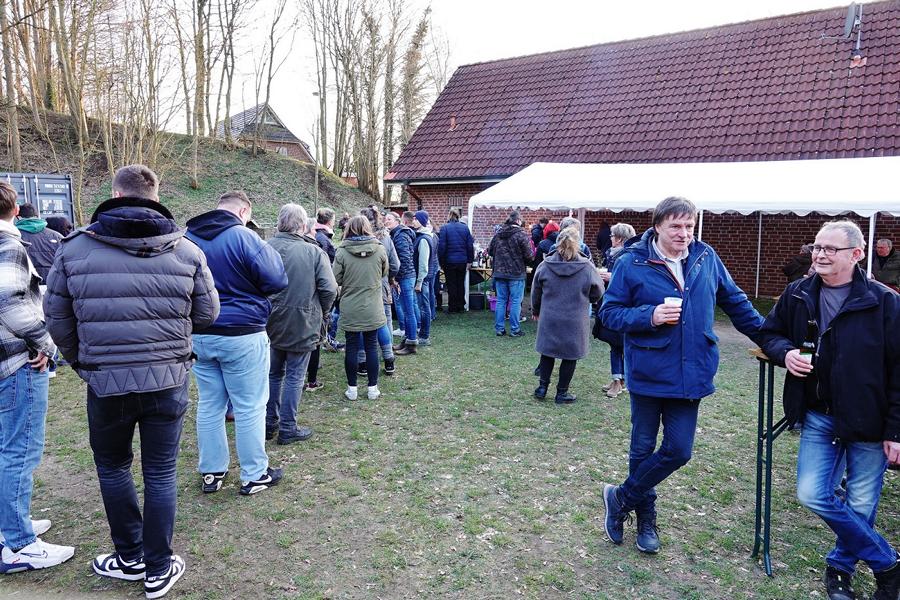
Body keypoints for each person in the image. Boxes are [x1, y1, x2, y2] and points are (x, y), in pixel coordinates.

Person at [43, 165, 219, 596]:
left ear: (116, 195)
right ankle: (155, 566)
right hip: (166, 378)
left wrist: (82, 363)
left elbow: (57, 318)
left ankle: (131, 557)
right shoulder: (187, 250)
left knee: (113, 466)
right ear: (155, 197)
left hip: (107, 381)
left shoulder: (75, 248)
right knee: (159, 472)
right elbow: (207, 313)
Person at [598, 196, 763, 555]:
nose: (684, 233)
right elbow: (609, 314)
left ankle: (620, 497)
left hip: (691, 372)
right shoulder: (632, 261)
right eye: (676, 226)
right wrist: (650, 316)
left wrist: (774, 340)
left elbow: (736, 303)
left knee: (679, 450)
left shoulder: (706, 257)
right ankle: (646, 518)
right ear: (657, 226)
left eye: (689, 226)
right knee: (642, 448)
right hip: (648, 370)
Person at [759, 221, 900, 600]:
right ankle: (888, 562)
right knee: (811, 493)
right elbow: (768, 333)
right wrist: (784, 352)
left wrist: (896, 430)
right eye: (817, 247)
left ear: (856, 254)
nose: (819, 255)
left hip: (869, 419)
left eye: (830, 249)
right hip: (820, 413)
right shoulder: (798, 292)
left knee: (861, 502)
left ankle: (840, 568)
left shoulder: (884, 301)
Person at [186, 191, 288, 496]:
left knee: (209, 403)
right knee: (249, 406)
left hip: (200, 332)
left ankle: (212, 472)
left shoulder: (185, 238)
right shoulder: (244, 238)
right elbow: (276, 279)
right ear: (243, 210)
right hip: (242, 332)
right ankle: (255, 474)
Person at [0, 183, 74, 574]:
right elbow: (10, 300)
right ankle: (19, 545)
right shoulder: (8, 245)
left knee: (5, 447)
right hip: (16, 364)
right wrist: (47, 345)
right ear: (15, 211)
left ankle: (11, 524)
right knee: (19, 450)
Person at [265, 204, 337, 445]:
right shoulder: (313, 252)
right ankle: (287, 427)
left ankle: (269, 423)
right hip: (303, 320)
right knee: (295, 375)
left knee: (274, 374)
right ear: (302, 225)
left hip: (269, 321)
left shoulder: (264, 248)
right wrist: (323, 312)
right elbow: (329, 289)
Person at [531, 227, 603, 404]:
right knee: (570, 355)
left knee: (547, 353)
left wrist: (536, 309)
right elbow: (599, 290)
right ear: (578, 243)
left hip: (550, 316)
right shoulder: (586, 267)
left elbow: (535, 291)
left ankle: (542, 388)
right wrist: (587, 299)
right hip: (575, 318)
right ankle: (561, 393)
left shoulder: (546, 264)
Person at [333, 216, 388, 400]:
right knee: (372, 346)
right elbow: (384, 271)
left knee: (352, 347)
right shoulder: (379, 249)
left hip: (350, 306)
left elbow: (336, 278)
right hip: (372, 305)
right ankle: (373, 388)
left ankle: (352, 389)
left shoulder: (342, 252)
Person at [357, 207, 399, 376]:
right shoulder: (385, 239)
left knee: (359, 323)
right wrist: (388, 278)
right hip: (380, 285)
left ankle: (362, 360)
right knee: (383, 320)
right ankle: (388, 357)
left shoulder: (353, 240)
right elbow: (395, 265)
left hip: (358, 287)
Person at [598, 222, 636, 398]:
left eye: (613, 235)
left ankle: (619, 382)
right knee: (615, 345)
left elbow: (631, 281)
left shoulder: (630, 256)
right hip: (611, 303)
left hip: (623, 307)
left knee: (618, 344)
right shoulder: (612, 254)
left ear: (620, 238)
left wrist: (611, 277)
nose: (610, 238)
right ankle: (619, 380)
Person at [488, 210, 534, 337]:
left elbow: (490, 251)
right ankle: (515, 329)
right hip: (516, 272)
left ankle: (499, 329)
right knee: (515, 301)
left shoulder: (498, 234)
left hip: (500, 272)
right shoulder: (521, 235)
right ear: (518, 221)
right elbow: (529, 256)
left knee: (501, 301)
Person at [385, 211, 419, 354]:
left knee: (408, 311)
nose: (386, 221)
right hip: (405, 276)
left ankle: (411, 344)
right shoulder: (396, 234)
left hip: (405, 277)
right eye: (385, 219)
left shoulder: (401, 235)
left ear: (397, 221)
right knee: (406, 311)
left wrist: (396, 278)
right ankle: (406, 340)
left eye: (389, 219)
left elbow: (403, 259)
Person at [408, 210, 438, 344]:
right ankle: (422, 334)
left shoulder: (424, 239)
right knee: (423, 307)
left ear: (421, 220)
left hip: (423, 280)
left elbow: (423, 264)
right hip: (422, 279)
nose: (412, 221)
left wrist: (419, 282)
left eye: (415, 219)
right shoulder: (421, 236)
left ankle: (425, 336)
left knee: (424, 308)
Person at [14, 203, 63, 282]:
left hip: (27, 284)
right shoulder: (56, 236)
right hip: (52, 284)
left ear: (18, 217)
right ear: (36, 216)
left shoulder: (13, 236)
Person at [439, 208, 475, 313]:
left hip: (449, 261)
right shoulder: (465, 228)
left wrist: (441, 261)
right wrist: (470, 260)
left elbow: (442, 247)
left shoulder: (444, 228)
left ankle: (453, 307)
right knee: (460, 283)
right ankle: (460, 305)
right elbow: (470, 246)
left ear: (449, 215)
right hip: (462, 261)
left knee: (451, 284)